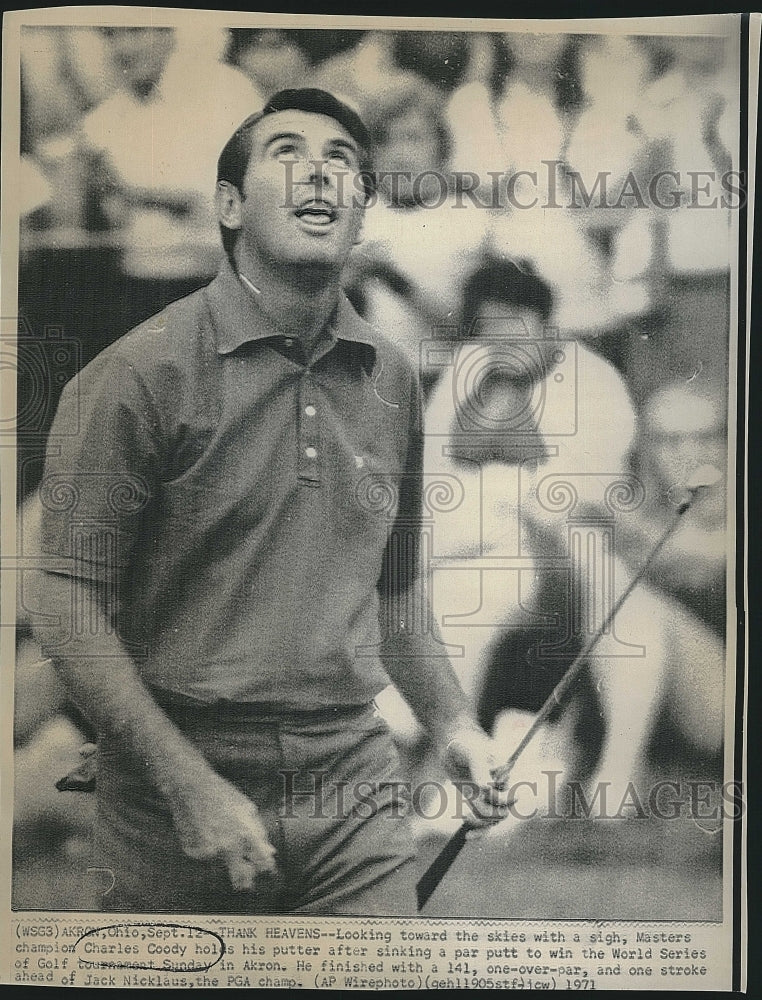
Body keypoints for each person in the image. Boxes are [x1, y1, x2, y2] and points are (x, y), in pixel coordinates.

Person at [33, 88, 509, 916]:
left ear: (364, 209)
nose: (319, 174)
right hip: (168, 780)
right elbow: (65, 605)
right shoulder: (136, 374)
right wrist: (189, 788)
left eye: (342, 163)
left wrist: (457, 728)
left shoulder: (393, 377)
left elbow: (394, 598)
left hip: (351, 777)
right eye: (286, 152)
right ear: (227, 204)